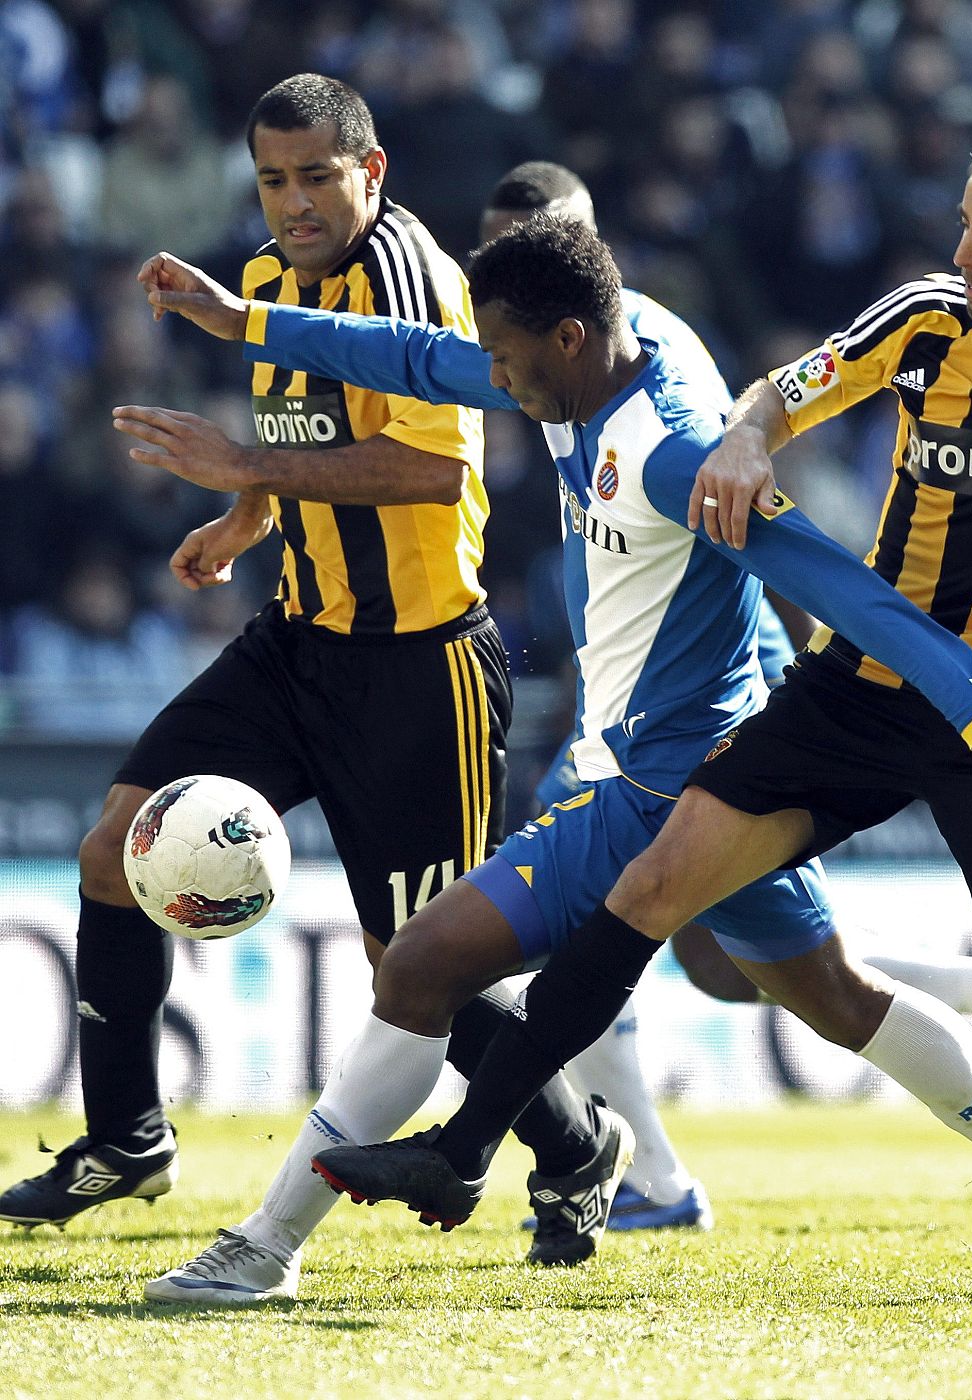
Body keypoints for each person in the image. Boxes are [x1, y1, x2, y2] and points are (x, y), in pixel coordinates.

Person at [330, 124, 972, 1302]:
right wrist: (746, 440)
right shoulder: (923, 319)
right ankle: (464, 1146)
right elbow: (785, 390)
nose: (964, 253)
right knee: (651, 887)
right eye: (964, 225)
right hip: (858, 688)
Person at [116, 214, 972, 1302]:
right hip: (715, 784)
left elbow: (841, 585)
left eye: (506, 358)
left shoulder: (672, 454)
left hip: (654, 788)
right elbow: (414, 356)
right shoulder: (591, 355)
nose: (494, 380)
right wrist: (243, 320)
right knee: (839, 997)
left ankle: (266, 1245)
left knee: (418, 964)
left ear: (566, 336)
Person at [0, 75, 609, 1301]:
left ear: (370, 171)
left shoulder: (407, 277)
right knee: (117, 843)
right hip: (297, 638)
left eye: (317, 177)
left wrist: (237, 462)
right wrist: (244, 516)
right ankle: (127, 1138)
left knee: (417, 966)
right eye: (273, 180)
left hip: (420, 667)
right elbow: (301, 439)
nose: (294, 203)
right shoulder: (268, 281)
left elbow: (432, 470)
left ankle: (577, 1144)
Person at [486, 162, 972, 1240]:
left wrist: (919, 693)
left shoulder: (653, 377)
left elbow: (769, 549)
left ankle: (643, 1173)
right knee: (733, 967)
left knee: (605, 934)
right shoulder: (531, 368)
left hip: (694, 725)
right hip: (629, 719)